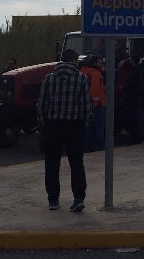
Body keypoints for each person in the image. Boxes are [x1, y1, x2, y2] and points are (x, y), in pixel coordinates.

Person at [36, 49, 91, 212]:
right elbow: (86, 106)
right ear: (74, 60)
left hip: (53, 125)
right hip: (74, 125)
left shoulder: (49, 78)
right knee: (76, 163)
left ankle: (53, 199)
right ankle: (78, 198)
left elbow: (41, 104)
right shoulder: (81, 79)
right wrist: (84, 124)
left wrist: (43, 125)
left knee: (52, 162)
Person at [81, 54, 106, 152]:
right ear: (94, 63)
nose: (101, 64)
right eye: (100, 63)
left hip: (87, 104)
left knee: (89, 127)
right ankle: (99, 145)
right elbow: (95, 89)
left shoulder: (83, 71)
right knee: (99, 127)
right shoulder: (95, 73)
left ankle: (88, 146)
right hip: (98, 104)